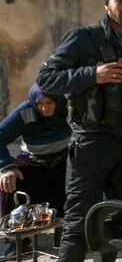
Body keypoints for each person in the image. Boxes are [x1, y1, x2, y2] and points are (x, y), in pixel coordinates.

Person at [36, 0, 122, 262]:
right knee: (79, 220)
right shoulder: (83, 38)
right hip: (92, 142)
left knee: (115, 219)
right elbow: (47, 79)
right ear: (107, 4)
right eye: (121, 0)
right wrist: (92, 75)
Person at [0, 83, 71, 258]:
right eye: (40, 103)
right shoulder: (25, 112)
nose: (45, 108)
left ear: (57, 101)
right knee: (9, 183)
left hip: (65, 160)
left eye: (49, 103)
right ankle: (14, 241)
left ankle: (75, 233)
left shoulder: (70, 108)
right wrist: (6, 168)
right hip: (34, 160)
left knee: (82, 182)